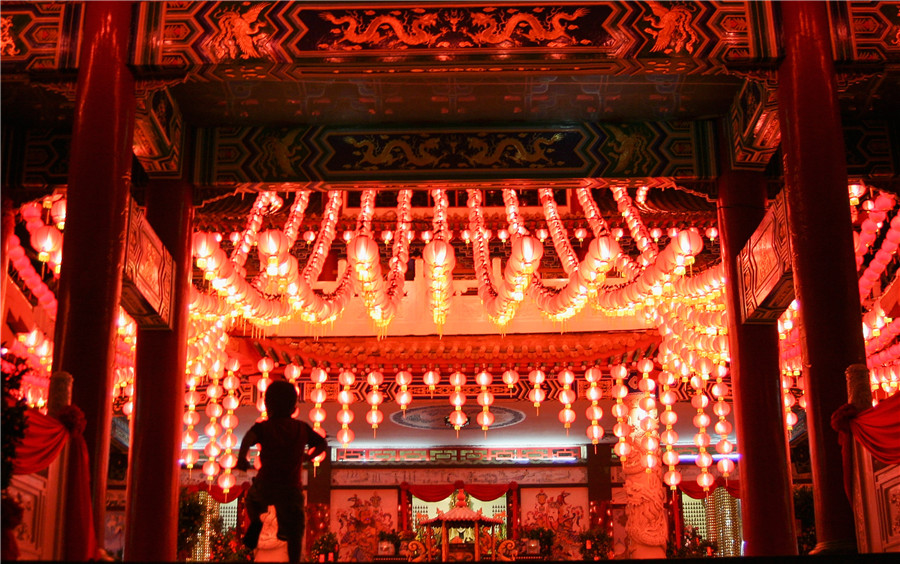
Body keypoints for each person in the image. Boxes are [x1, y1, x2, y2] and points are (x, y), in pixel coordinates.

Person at [236, 379, 329, 564]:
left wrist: (242, 459)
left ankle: (256, 523)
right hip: (290, 488)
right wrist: (308, 457)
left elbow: (247, 439)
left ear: (267, 405)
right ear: (294, 406)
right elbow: (322, 443)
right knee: (296, 528)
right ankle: (294, 557)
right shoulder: (301, 428)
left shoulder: (264, 427)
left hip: (266, 485)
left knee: (253, 502)